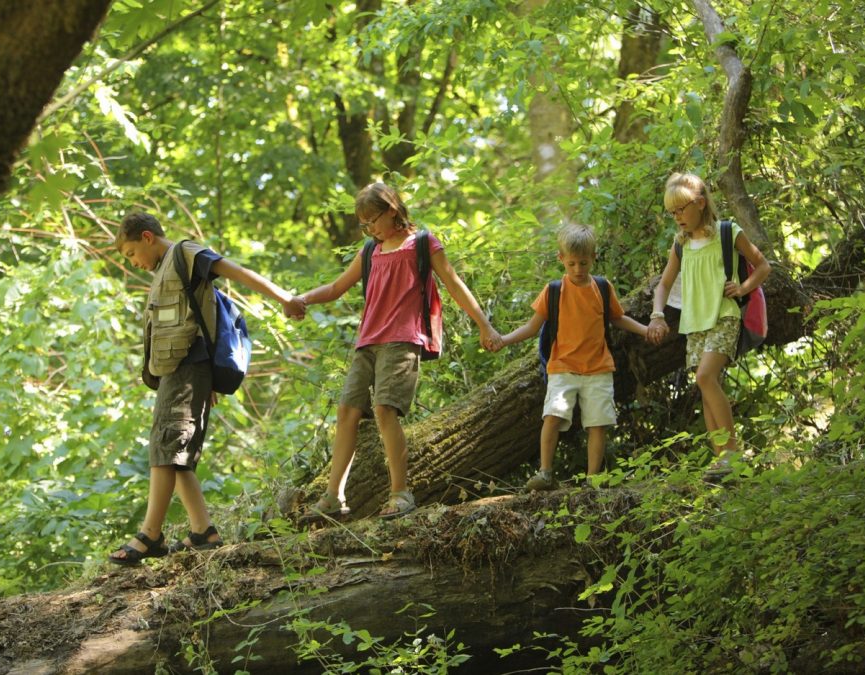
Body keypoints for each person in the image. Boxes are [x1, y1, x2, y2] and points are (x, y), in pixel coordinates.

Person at [285, 183, 502, 519]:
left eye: (373, 220)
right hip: (367, 342)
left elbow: (453, 283)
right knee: (347, 411)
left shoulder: (422, 243)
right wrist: (302, 298)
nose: (370, 228)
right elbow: (336, 287)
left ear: (392, 210)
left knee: (385, 409)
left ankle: (401, 493)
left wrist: (484, 325)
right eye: (364, 224)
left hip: (403, 338)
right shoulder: (370, 251)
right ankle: (333, 497)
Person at [109, 212, 302, 565]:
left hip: (188, 367)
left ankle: (150, 535)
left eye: (132, 253)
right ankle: (203, 532)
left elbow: (237, 272)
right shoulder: (164, 269)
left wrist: (284, 298)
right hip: (176, 371)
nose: (134, 263)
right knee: (173, 449)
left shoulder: (185, 254)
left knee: (167, 446)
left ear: (148, 237)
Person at [492, 223, 648, 490]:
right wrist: (503, 340)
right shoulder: (554, 291)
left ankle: (593, 479)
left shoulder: (601, 287)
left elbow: (617, 317)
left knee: (597, 423)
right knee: (552, 416)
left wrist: (646, 330)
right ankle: (545, 473)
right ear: (561, 258)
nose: (578, 269)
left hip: (598, 367)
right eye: (572, 263)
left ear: (594, 258)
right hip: (562, 367)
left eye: (584, 263)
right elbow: (532, 327)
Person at [645, 173, 770, 476]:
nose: (677, 218)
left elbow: (763, 266)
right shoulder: (681, 245)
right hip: (695, 324)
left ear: (700, 203)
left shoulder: (728, 232)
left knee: (705, 377)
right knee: (705, 385)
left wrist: (742, 288)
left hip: (724, 316)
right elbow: (663, 285)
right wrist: (657, 314)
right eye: (671, 212)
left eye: (681, 209)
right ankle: (721, 461)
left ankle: (732, 454)